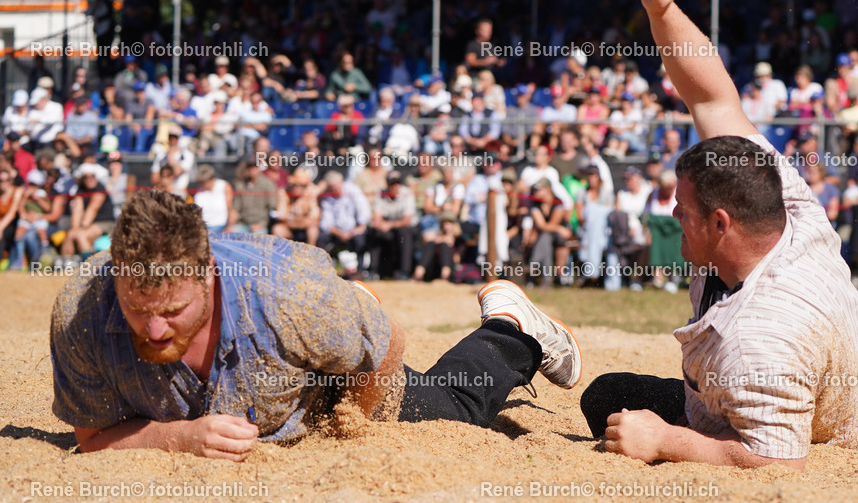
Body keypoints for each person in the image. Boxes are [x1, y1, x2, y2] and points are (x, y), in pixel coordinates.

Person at [580, 0, 858, 470]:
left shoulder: (757, 340)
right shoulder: (785, 199)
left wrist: (667, 442)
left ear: (721, 223)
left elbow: (780, 462)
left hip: (812, 419)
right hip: (837, 384)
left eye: (684, 208)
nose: (673, 211)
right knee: (610, 398)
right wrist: (664, 11)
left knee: (611, 408)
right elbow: (711, 95)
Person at [49, 190, 582, 461]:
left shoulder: (290, 296)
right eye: (138, 311)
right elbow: (93, 438)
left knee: (459, 410)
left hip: (321, 379)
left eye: (172, 311)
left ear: (209, 275)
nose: (156, 329)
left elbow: (392, 340)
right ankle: (350, 322)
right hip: (301, 335)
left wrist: (350, 424)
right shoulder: (83, 312)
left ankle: (513, 328)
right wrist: (179, 436)